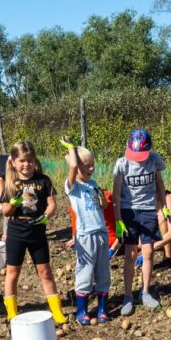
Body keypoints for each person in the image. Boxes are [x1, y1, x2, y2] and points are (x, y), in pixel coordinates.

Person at [0, 141, 66, 324]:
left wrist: (46, 215)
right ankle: (12, 311)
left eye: (29, 160)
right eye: (21, 160)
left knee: (45, 271)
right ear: (13, 162)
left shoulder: (43, 180)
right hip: (16, 233)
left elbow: (52, 204)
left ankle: (57, 310)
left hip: (37, 233)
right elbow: (5, 211)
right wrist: (13, 203)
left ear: (35, 161)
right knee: (13, 271)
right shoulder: (10, 183)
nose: (26, 164)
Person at [112, 129, 167, 315]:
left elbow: (159, 183)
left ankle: (145, 292)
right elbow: (116, 195)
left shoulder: (154, 160)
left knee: (149, 252)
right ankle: (128, 295)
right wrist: (118, 219)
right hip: (129, 211)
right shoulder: (122, 164)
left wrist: (164, 205)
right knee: (130, 254)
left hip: (148, 209)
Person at [61, 137, 111, 325]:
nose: (91, 169)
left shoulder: (93, 183)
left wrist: (102, 198)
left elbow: (103, 205)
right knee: (85, 272)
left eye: (92, 165)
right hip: (85, 235)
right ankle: (81, 310)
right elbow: (73, 166)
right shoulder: (73, 187)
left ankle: (102, 309)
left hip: (101, 233)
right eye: (87, 166)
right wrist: (72, 148)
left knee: (103, 272)